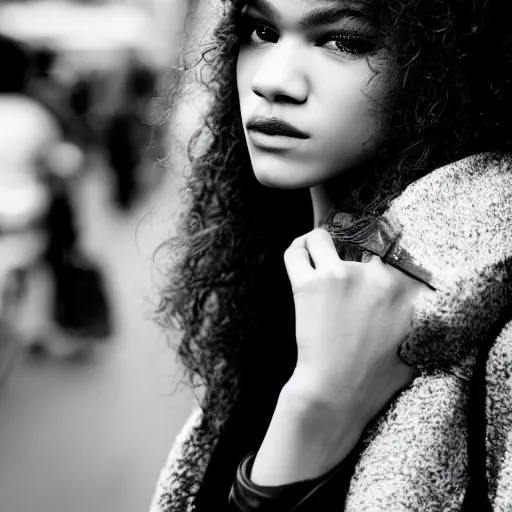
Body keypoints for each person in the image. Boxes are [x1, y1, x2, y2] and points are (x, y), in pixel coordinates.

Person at [150, 0, 512, 510]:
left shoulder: (493, 331)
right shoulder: (271, 270)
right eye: (262, 30)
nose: (272, 80)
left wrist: (318, 407)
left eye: (343, 41)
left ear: (445, 63)